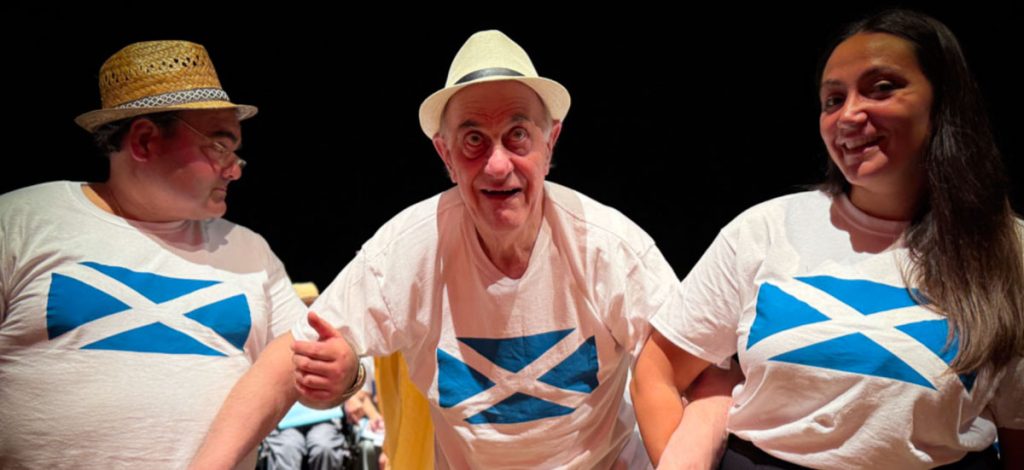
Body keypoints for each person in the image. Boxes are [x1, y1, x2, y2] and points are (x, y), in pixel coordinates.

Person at [192, 30, 733, 469]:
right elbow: (290, 357)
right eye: (473, 140)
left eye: (518, 135)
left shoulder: (609, 246)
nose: (497, 165)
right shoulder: (409, 248)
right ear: (445, 155)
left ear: (550, 142)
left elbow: (707, 370)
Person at [633, 9, 1024, 469]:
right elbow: (657, 369)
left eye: (882, 88)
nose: (849, 114)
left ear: (942, 102)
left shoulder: (1007, 250)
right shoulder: (766, 228)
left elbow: (1017, 427)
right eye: (833, 100)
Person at [0, 40, 307, 468]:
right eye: (220, 147)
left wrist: (348, 375)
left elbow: (306, 357)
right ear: (145, 141)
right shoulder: (20, 223)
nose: (234, 169)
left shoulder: (250, 250)